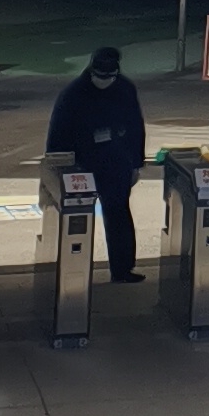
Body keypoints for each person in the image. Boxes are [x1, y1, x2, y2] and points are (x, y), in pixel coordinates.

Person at [46, 43, 149, 283]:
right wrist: (57, 166)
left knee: (118, 214)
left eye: (109, 77)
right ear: (91, 71)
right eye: (100, 77)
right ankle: (73, 270)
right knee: (77, 218)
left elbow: (136, 127)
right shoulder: (74, 93)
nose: (104, 81)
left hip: (116, 162)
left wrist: (136, 163)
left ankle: (122, 269)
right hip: (82, 162)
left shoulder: (124, 88)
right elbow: (58, 131)